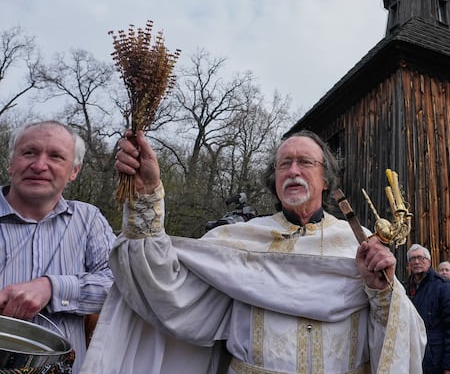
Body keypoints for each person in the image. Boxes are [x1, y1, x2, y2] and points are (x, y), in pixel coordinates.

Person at [82, 129, 426, 373]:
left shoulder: (359, 243)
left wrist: (381, 290)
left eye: (305, 162)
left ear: (326, 180)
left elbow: (401, 332)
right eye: (283, 164)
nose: (293, 171)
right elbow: (162, 284)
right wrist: (146, 195)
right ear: (274, 180)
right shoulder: (237, 241)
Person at [0, 120, 116, 373]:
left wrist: (52, 288)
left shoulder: (88, 220)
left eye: (55, 156)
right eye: (29, 152)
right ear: (11, 163)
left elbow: (121, 286)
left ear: (74, 171)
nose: (39, 165)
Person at [407, 244, 450, 374]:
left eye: (420, 258)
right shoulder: (406, 289)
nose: (416, 261)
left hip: (437, 360)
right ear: (409, 265)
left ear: (429, 261)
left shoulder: (443, 287)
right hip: (415, 358)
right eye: (412, 259)